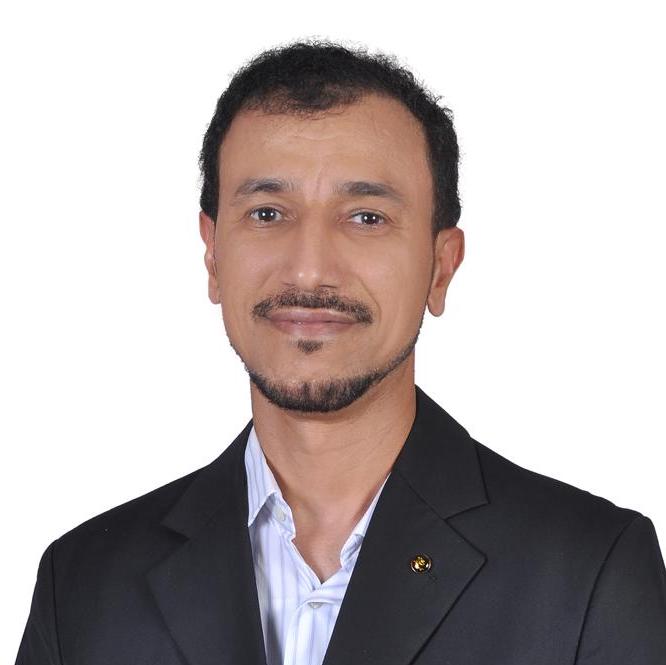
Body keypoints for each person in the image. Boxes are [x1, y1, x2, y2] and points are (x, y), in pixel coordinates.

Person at [15, 40, 666, 665]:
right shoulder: (82, 585)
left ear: (441, 266)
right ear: (213, 256)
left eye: (365, 217)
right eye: (268, 213)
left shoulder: (590, 572)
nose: (309, 268)